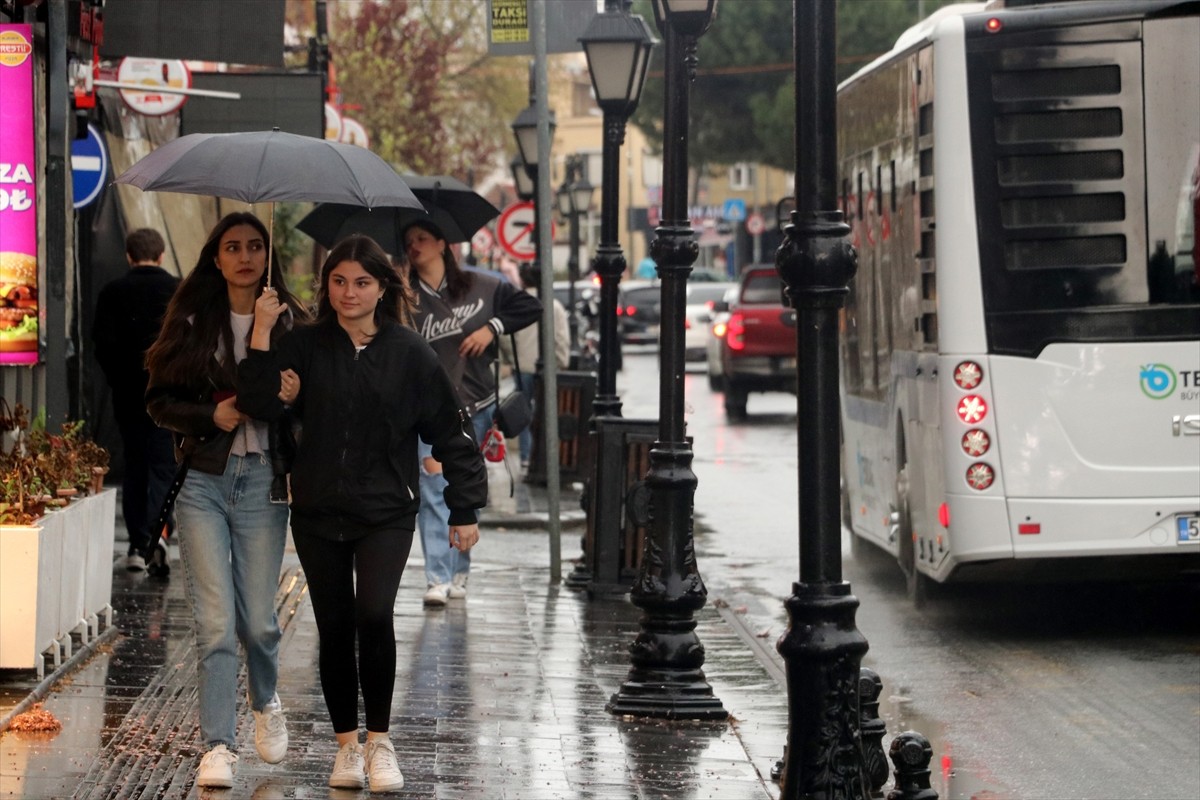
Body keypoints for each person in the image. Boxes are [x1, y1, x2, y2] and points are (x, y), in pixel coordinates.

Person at [238, 235, 487, 792]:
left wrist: (464, 506)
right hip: (318, 509)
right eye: (339, 281)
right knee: (334, 626)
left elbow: (451, 430)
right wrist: (261, 334)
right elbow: (255, 403)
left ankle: (380, 742)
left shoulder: (410, 353)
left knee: (373, 614)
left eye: (361, 282)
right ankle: (346, 748)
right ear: (326, 286)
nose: (349, 292)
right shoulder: (304, 344)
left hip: (386, 510)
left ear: (382, 288)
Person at [144, 211, 310, 789]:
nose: (244, 256)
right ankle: (218, 744)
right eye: (233, 247)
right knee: (214, 624)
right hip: (203, 482)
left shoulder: (293, 323)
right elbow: (158, 401)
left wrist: (295, 395)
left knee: (259, 623)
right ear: (215, 258)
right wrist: (207, 416)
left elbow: (308, 404)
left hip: (264, 481)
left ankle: (265, 700)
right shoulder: (192, 321)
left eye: (255, 246)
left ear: (268, 256)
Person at [402, 219, 541, 607]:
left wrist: (492, 327)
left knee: (465, 488)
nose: (414, 245)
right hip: (428, 409)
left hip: (477, 404)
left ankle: (459, 567)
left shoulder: (483, 285)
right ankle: (438, 577)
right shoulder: (403, 296)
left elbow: (531, 306)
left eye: (422, 238)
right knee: (432, 487)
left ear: (442, 243)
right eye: (408, 240)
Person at [92, 228, 180, 571]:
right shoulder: (177, 290)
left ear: (129, 255)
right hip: (169, 395)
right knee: (163, 465)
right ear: (161, 255)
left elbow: (103, 346)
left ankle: (136, 544)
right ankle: (159, 533)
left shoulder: (112, 292)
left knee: (135, 466)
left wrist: (119, 380)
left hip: (128, 396)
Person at [503, 261, 569, 470]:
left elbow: (506, 336)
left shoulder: (516, 304)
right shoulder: (554, 305)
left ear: (523, 280)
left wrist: (512, 358)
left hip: (522, 366)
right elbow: (561, 338)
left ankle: (527, 456)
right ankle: (547, 457)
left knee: (523, 412)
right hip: (547, 368)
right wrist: (561, 362)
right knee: (547, 412)